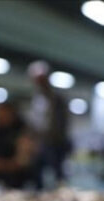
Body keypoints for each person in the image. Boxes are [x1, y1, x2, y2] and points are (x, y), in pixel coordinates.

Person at [27, 60, 70, 190]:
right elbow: (35, 122)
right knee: (36, 173)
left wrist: (57, 139)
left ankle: (62, 196)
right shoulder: (36, 98)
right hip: (40, 142)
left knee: (58, 174)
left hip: (54, 142)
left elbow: (61, 123)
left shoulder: (57, 98)